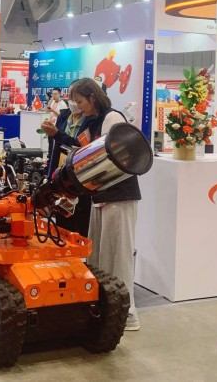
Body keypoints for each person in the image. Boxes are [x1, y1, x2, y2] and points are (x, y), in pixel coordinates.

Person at [47, 77, 141, 331]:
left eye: (80, 101)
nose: (77, 107)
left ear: (92, 97)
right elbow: (81, 152)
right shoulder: (91, 122)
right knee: (99, 255)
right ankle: (106, 307)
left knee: (119, 254)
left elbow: (117, 158)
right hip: (98, 196)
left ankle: (127, 313)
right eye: (74, 102)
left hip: (119, 195)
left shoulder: (112, 118)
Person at [41, 93, 89, 234]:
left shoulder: (91, 119)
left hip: (80, 177)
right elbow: (55, 148)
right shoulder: (63, 116)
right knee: (61, 226)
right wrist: (49, 176)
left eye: (79, 100)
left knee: (79, 227)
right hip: (60, 175)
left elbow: (82, 148)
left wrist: (57, 134)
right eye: (72, 99)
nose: (75, 103)